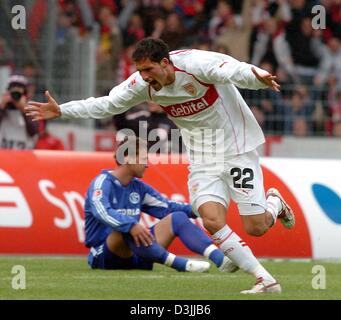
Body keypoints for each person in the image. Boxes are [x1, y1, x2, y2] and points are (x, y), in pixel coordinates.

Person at [26, 38, 295, 293]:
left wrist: (256, 76)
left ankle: (275, 204)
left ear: (165, 63)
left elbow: (229, 68)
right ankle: (265, 279)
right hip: (203, 157)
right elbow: (107, 104)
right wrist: (62, 110)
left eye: (148, 69)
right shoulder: (142, 85)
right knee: (212, 220)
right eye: (140, 71)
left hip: (237, 148)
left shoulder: (194, 64)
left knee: (256, 227)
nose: (144, 77)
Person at [85, 136, 235, 274]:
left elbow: (167, 207)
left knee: (177, 217)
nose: (147, 164)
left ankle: (221, 260)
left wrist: (200, 209)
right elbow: (102, 212)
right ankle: (181, 265)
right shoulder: (102, 183)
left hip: (138, 252)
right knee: (125, 229)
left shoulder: (138, 187)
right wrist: (130, 225)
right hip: (104, 254)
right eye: (144, 158)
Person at [0, 75, 38, 149]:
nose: (16, 91)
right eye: (13, 87)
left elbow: (33, 132)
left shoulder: (31, 108)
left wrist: (24, 110)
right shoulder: (3, 107)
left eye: (19, 88)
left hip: (23, 155)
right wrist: (2, 107)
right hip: (3, 155)